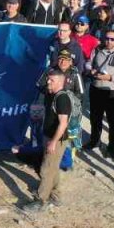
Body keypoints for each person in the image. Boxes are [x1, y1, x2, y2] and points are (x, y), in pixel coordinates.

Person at [20, 70, 75, 213]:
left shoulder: (62, 99)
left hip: (56, 139)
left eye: (51, 80)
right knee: (53, 167)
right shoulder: (52, 94)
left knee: (46, 169)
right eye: (48, 79)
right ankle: (55, 195)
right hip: (48, 136)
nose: (48, 82)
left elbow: (63, 123)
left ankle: (40, 200)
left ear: (60, 82)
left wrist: (53, 142)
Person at [83, 27, 114, 158]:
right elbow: (88, 63)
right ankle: (94, 141)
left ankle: (112, 148)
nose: (109, 41)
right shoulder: (98, 49)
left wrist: (110, 78)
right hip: (96, 88)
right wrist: (90, 70)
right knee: (95, 118)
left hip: (113, 92)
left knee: (113, 122)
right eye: (107, 38)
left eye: (112, 39)